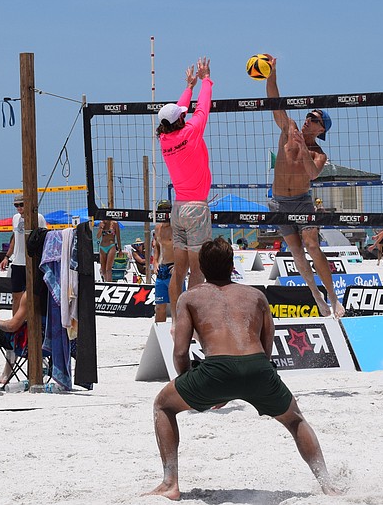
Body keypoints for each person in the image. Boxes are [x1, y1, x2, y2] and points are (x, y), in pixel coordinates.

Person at [146, 238, 338, 499]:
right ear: (232, 264)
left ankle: (170, 483)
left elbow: (180, 351)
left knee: (163, 405)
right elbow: (266, 348)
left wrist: (191, 387)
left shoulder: (189, 297)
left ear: (200, 267)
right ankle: (327, 485)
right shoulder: (256, 295)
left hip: (215, 370)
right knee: (295, 420)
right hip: (258, 367)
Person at [262, 54, 343, 317]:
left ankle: (333, 296)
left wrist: (302, 145)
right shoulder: (290, 127)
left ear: (322, 130)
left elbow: (312, 174)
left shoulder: (319, 154)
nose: (309, 118)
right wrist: (272, 74)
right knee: (295, 251)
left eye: (315, 119)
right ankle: (315, 294)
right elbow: (274, 102)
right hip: (278, 201)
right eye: (309, 114)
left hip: (301, 200)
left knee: (312, 246)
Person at [157, 56, 214, 316]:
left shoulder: (165, 139)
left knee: (177, 271)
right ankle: (190, 320)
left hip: (178, 209)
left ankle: (176, 321)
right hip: (195, 209)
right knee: (197, 270)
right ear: (181, 120)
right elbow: (202, 107)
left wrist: (188, 87)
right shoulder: (190, 132)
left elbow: (179, 110)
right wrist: (205, 81)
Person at [0, 194, 47, 335]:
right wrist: (7, 257)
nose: (19, 208)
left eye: (21, 204)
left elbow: (44, 238)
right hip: (17, 262)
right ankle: (15, 325)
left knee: (31, 297)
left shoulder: (38, 217)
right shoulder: (15, 218)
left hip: (32, 262)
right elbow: (14, 238)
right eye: (16, 205)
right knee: (16, 297)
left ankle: (31, 322)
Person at [152, 200, 174, 323]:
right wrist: (155, 262)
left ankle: (178, 338)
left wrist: (179, 266)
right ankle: (160, 337)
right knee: (159, 307)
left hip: (175, 269)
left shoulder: (176, 228)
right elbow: (157, 247)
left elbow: (185, 250)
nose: (164, 214)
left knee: (177, 308)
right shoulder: (158, 228)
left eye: (167, 211)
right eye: (162, 211)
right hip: (162, 269)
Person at [96, 217, 121, 283]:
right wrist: (101, 228)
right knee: (103, 269)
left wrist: (120, 249)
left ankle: (109, 283)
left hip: (111, 246)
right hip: (102, 247)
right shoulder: (101, 223)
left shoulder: (114, 223)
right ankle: (106, 281)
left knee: (108, 268)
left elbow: (118, 237)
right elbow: (98, 236)